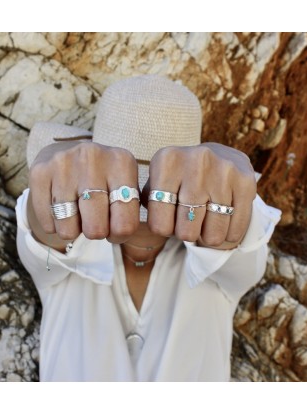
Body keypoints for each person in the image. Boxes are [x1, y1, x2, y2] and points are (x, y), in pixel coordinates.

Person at [16, 75, 281, 381]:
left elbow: (243, 239)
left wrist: (228, 197)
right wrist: (50, 190)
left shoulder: (219, 272)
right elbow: (42, 235)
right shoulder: (62, 261)